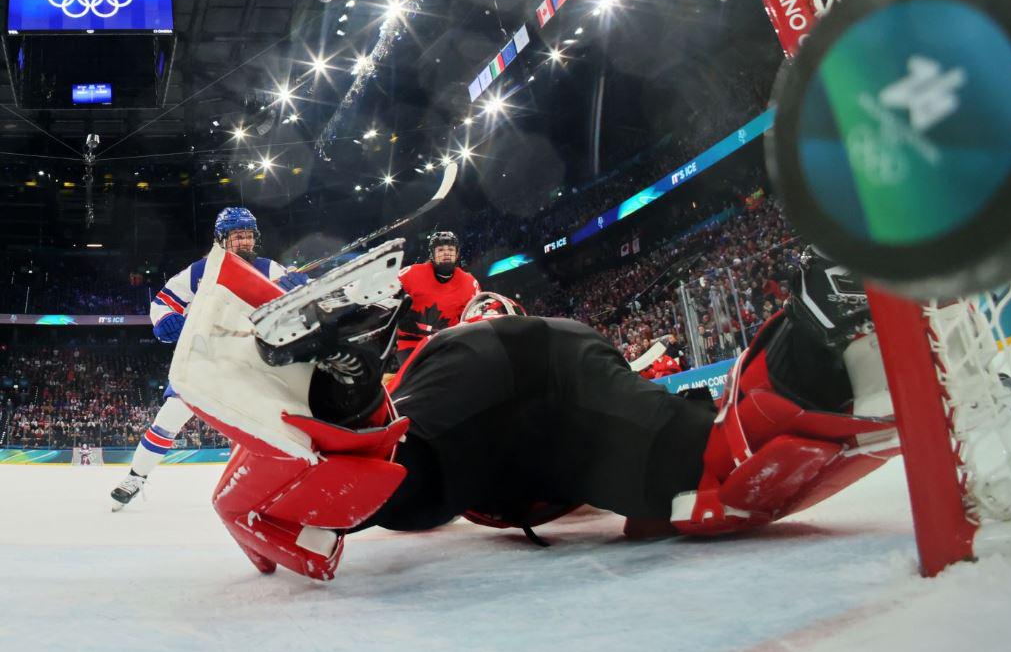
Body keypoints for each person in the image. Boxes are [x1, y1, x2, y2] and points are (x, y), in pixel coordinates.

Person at [170, 242, 900, 580]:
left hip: (473, 377)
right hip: (567, 360)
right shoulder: (539, 330)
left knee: (407, 478)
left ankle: (347, 389)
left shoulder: (450, 342)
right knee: (710, 468)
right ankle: (824, 333)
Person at [109, 207, 308, 511]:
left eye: (248, 235)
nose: (244, 241)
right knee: (169, 417)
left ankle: (287, 485)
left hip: (252, 360)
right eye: (237, 236)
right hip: (205, 358)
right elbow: (162, 303)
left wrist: (300, 289)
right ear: (221, 238)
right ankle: (135, 477)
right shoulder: (200, 271)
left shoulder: (269, 269)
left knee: (274, 425)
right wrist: (166, 321)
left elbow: (302, 303)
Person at [392, 230, 480, 369]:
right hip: (411, 342)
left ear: (457, 253)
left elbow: (474, 316)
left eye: (450, 249)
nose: (446, 253)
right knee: (423, 376)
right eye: (441, 249)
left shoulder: (469, 283)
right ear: (432, 254)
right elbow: (388, 295)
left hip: (446, 342)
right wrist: (399, 316)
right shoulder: (412, 273)